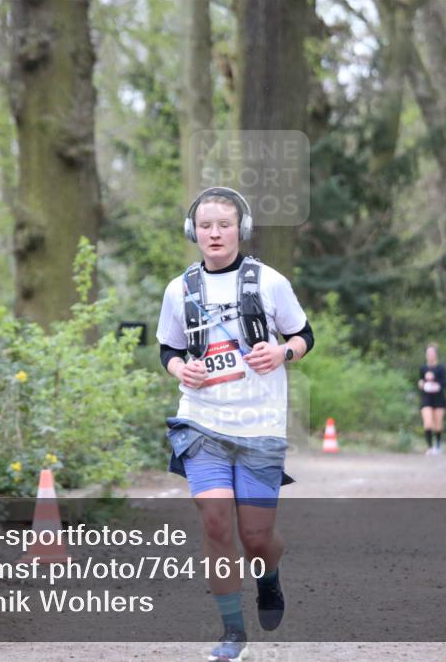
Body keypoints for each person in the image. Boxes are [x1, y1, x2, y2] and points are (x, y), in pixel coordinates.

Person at [156, 187, 314, 662]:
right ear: (193, 232)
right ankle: (231, 631)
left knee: (257, 538)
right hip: (201, 421)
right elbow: (168, 348)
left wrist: (283, 353)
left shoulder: (269, 282)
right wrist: (180, 369)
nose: (214, 233)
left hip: (259, 424)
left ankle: (268, 576)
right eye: (205, 225)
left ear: (240, 230)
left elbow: (303, 334)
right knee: (215, 523)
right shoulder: (180, 289)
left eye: (224, 224)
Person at [417, 343, 446, 456]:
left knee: (438, 424)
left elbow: (444, 383)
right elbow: (421, 380)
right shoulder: (423, 368)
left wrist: (433, 378)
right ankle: (429, 447)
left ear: (435, 355)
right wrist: (421, 383)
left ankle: (438, 445)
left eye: (432, 353)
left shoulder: (441, 368)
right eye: (428, 353)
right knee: (428, 422)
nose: (430, 355)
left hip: (438, 399)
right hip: (426, 398)